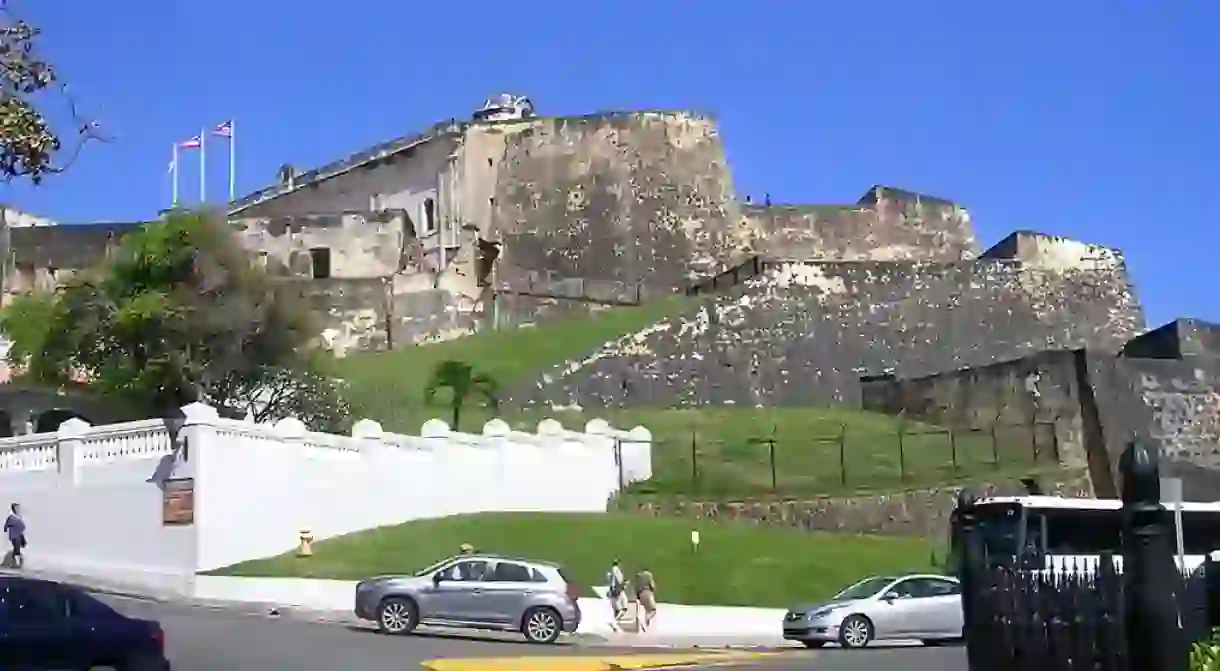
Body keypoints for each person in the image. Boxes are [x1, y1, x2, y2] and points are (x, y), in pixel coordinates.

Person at [606, 559, 628, 629]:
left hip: (614, 591)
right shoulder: (616, 571)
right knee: (624, 608)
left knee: (617, 610)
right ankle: (614, 622)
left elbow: (612, 581)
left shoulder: (611, 572)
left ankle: (614, 624)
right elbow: (619, 582)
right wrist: (625, 584)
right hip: (617, 591)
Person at [634, 566, 657, 632]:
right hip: (647, 592)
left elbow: (636, 587)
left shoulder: (638, 576)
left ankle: (646, 627)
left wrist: (638, 596)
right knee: (653, 610)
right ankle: (644, 623)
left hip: (640, 594)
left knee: (647, 610)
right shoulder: (649, 575)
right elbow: (652, 585)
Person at [4, 503, 25, 569]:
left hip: (19, 535)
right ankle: (15, 563)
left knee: (18, 548)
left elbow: (23, 526)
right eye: (17, 508)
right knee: (17, 549)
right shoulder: (11, 517)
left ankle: (16, 562)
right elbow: (6, 527)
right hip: (14, 536)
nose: (18, 509)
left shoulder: (18, 517)